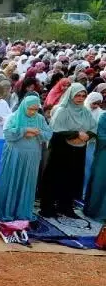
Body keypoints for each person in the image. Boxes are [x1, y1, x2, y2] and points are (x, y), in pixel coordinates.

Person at [40, 83, 97, 219]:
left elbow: (93, 128)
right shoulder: (62, 110)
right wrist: (76, 134)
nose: (80, 98)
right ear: (70, 95)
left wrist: (88, 135)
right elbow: (55, 132)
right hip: (61, 151)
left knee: (72, 178)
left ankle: (65, 206)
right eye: (77, 95)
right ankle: (48, 207)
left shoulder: (85, 112)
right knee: (56, 178)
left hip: (78, 151)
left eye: (83, 96)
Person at [0, 96, 52, 222]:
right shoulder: (14, 117)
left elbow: (48, 133)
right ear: (24, 107)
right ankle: (6, 210)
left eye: (36, 110)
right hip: (15, 155)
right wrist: (24, 131)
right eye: (30, 109)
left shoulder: (40, 119)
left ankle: (22, 212)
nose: (33, 112)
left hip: (32, 157)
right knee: (11, 181)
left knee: (27, 183)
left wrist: (37, 133)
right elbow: (7, 133)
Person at [84, 106, 106, 220]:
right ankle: (97, 212)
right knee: (100, 182)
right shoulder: (104, 117)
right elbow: (101, 136)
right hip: (104, 155)